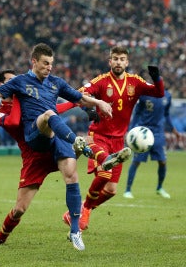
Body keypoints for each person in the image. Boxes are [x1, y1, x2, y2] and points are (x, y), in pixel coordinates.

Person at [0, 43, 114, 251]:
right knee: (20, 208)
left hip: (56, 139)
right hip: (34, 145)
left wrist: (99, 103)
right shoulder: (18, 86)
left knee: (71, 175)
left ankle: (75, 230)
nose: (49, 67)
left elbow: (78, 97)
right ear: (34, 62)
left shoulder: (55, 83)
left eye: (51, 64)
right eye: (45, 63)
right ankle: (0, 237)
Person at [63, 45, 165, 231]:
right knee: (105, 172)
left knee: (111, 191)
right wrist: (89, 109)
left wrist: (157, 78)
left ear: (127, 62)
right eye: (115, 59)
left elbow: (159, 93)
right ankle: (84, 209)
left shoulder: (135, 82)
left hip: (119, 141)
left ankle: (78, 210)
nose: (118, 62)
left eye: (122, 59)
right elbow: (79, 94)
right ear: (110, 61)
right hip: (98, 136)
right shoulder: (101, 81)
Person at [123, 89, 180, 199]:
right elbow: (137, 113)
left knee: (163, 161)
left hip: (158, 133)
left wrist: (173, 129)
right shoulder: (144, 94)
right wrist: (130, 130)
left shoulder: (167, 95)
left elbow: (166, 114)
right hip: (143, 133)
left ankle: (159, 188)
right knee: (136, 161)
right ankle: (128, 190)